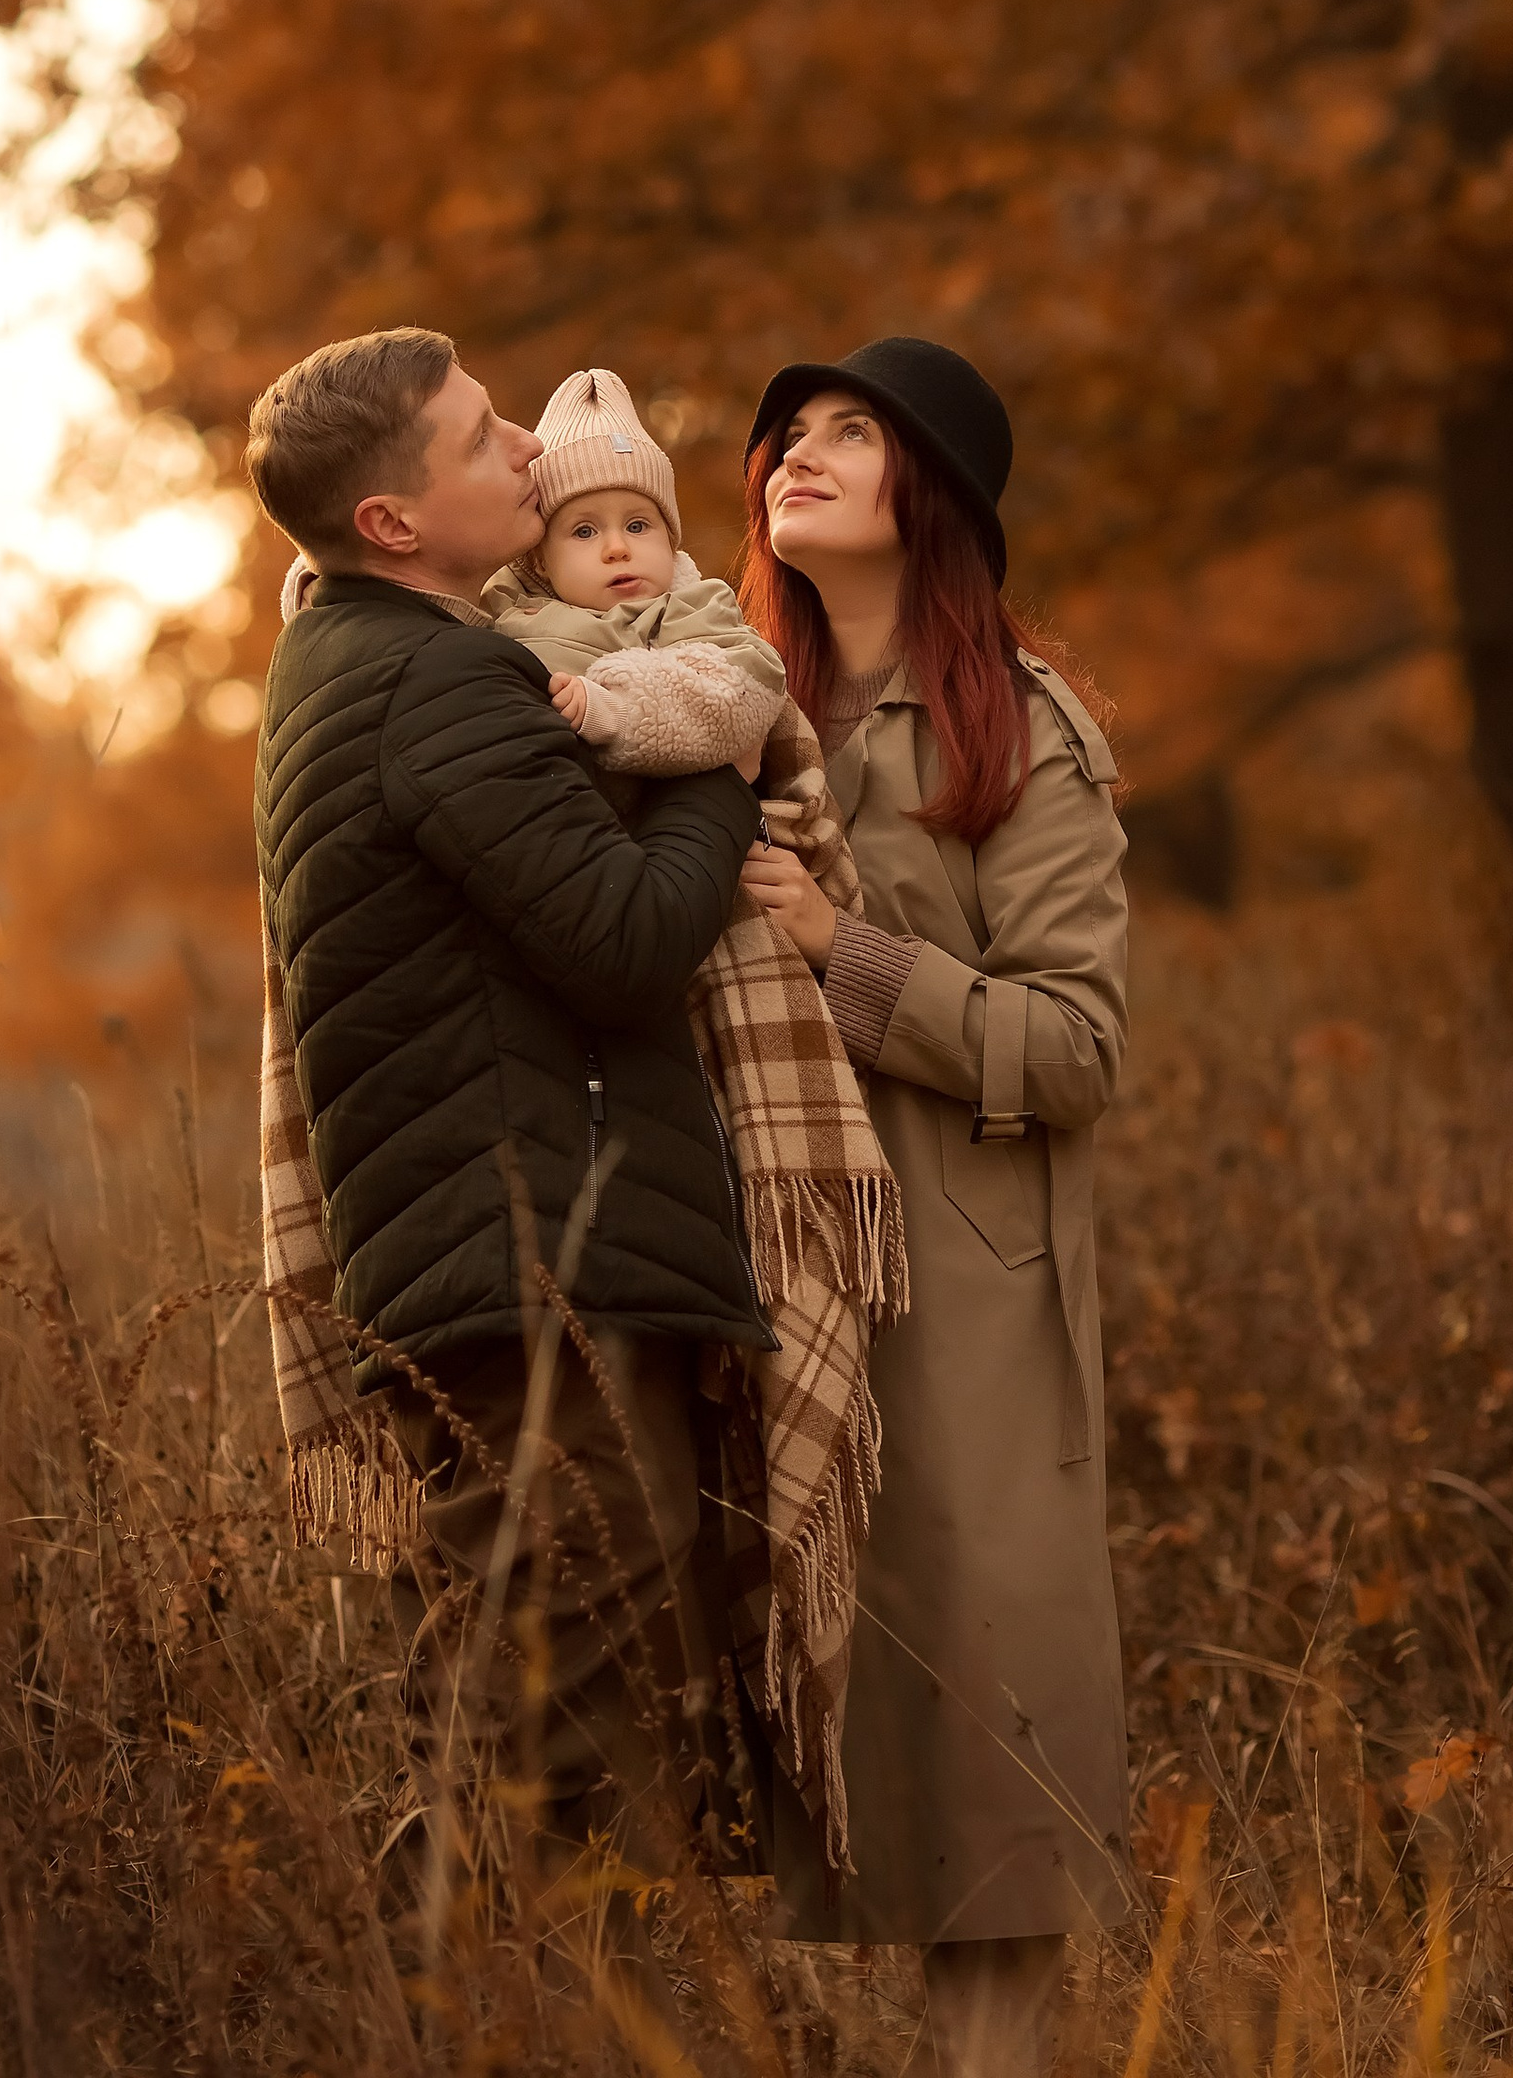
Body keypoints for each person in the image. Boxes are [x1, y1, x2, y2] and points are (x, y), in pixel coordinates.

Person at [242, 322, 768, 1894]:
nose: (532, 451)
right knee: (576, 1782)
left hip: (485, 1270)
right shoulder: (444, 682)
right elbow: (622, 943)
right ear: (393, 523)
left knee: (521, 1739)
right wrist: (718, 764)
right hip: (541, 1277)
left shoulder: (342, 665)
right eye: (486, 442)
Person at [736, 336, 1132, 2078]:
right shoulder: (732, 705)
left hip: (965, 1297)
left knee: (987, 1756)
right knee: (839, 1749)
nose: (797, 455)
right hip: (771, 1280)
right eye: (788, 432)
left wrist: (846, 952)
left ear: (934, 498)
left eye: (849, 433)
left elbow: (1076, 1044)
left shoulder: (1022, 731)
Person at [479, 361, 909, 1865]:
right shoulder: (496, 635)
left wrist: (595, 704)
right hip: (598, 1046)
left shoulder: (702, 630)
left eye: (639, 527)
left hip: (709, 1016)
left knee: (684, 1485)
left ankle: (702, 1807)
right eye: (585, 528)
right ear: (535, 550)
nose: (617, 553)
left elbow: (726, 712)